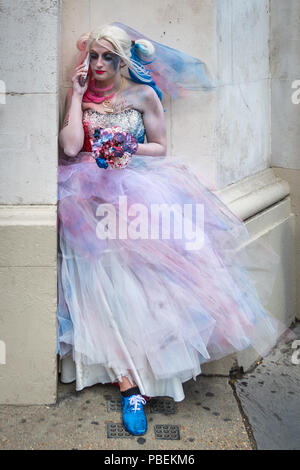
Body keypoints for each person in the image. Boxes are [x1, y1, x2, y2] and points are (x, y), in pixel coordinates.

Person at [56, 23, 289, 436]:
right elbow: (72, 148)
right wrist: (75, 97)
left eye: (109, 57)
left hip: (139, 192)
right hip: (88, 202)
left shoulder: (143, 95)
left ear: (124, 60)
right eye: (94, 56)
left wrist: (126, 146)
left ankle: (151, 375)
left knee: (147, 285)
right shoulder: (84, 97)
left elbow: (161, 147)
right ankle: (127, 383)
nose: (99, 64)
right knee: (102, 286)